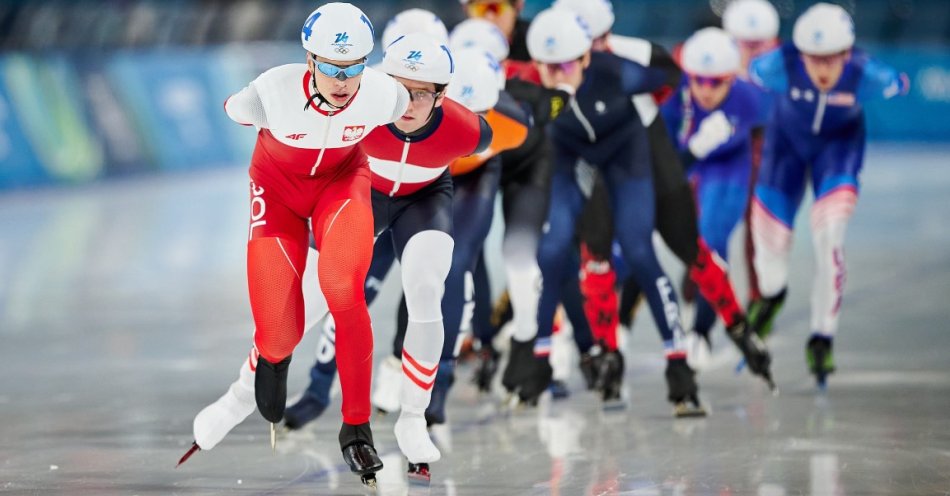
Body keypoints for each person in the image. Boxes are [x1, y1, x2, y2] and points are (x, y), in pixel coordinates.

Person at [178, 3, 411, 487]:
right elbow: (231, 108)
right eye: (330, 66)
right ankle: (275, 357)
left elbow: (433, 121)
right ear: (309, 60)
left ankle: (356, 427)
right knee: (279, 332)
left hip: (341, 186)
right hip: (277, 194)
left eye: (353, 68)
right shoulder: (268, 93)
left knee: (342, 289)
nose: (343, 80)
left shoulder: (386, 95)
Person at [284, 48, 528, 434]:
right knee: (355, 282)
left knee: (454, 267)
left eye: (477, 115)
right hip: (392, 179)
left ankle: (437, 384)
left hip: (457, 183)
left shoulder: (512, 126)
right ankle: (318, 388)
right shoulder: (387, 97)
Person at [548, 0, 774, 401]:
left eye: (594, 45)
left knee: (680, 248)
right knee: (597, 255)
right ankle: (609, 350)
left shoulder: (641, 56)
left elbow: (668, 96)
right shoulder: (562, 64)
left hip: (647, 158)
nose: (583, 60)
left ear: (605, 36)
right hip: (600, 161)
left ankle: (731, 331)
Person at [526, 8, 708, 417]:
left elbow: (670, 76)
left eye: (568, 65)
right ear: (536, 65)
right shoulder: (527, 86)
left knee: (640, 251)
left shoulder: (617, 72)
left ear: (587, 58)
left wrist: (654, 113)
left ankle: (679, 366)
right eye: (548, 68)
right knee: (554, 249)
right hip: (573, 159)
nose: (558, 77)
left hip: (627, 158)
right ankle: (538, 355)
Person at [747, 3, 909, 388]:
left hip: (837, 151)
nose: (822, 70)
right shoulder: (775, 65)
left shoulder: (866, 73)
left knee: (829, 237)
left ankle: (822, 336)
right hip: (784, 149)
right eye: (813, 60)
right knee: (772, 246)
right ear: (798, 54)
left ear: (848, 54)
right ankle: (771, 296)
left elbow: (898, 82)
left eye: (832, 60)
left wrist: (898, 83)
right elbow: (750, 71)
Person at [661, 27, 772, 371]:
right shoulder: (675, 97)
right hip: (689, 165)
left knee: (711, 241)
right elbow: (664, 156)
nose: (706, 91)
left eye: (717, 83)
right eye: (699, 81)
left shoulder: (750, 99)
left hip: (727, 170)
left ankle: (702, 332)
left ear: (731, 78)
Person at [722, 0, 781, 306]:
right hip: (718, 160)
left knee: (758, 234)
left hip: (766, 157)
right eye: (748, 45)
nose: (755, 51)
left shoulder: (788, 68)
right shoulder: (714, 64)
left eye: (762, 45)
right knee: (706, 233)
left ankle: (759, 299)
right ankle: (699, 308)